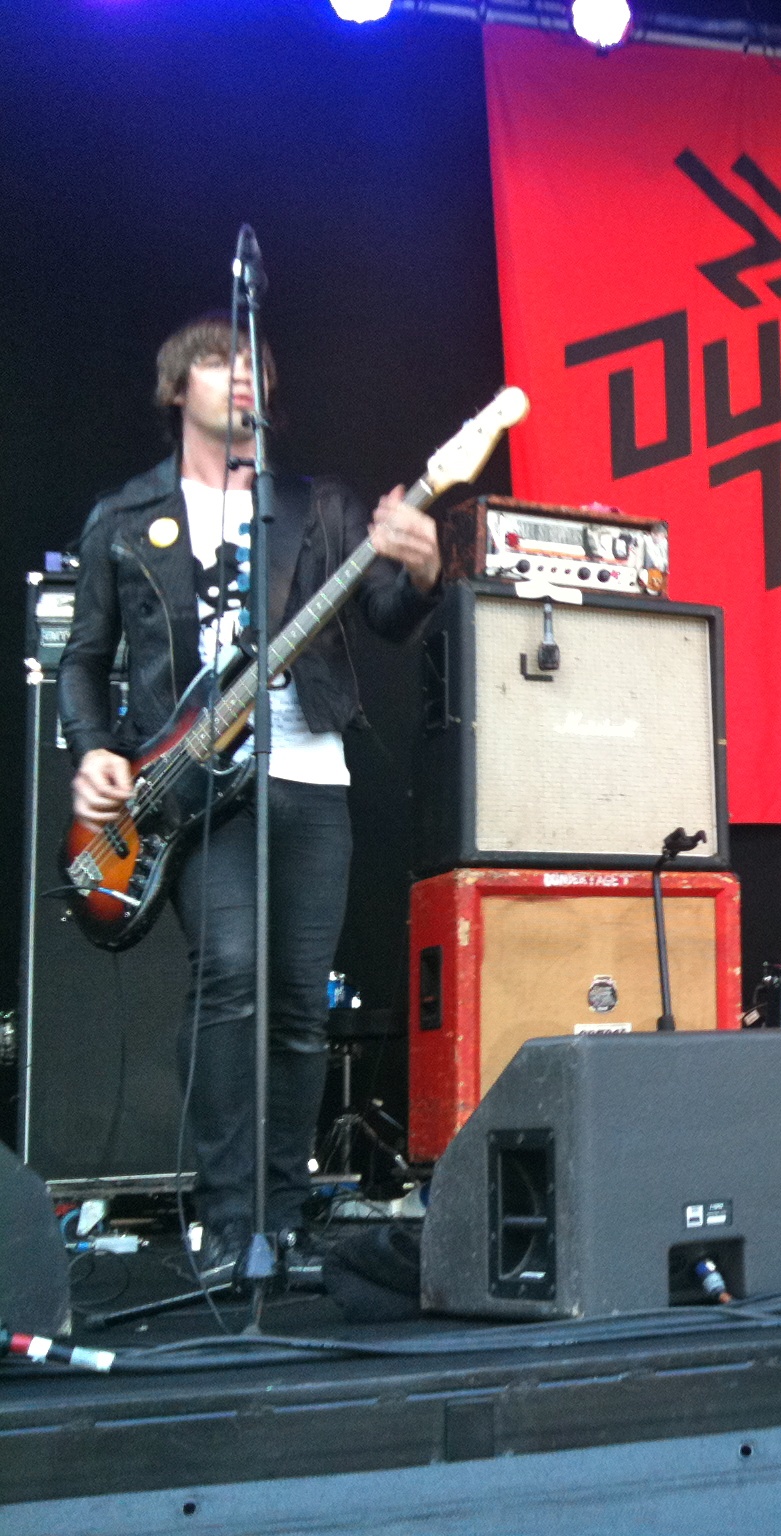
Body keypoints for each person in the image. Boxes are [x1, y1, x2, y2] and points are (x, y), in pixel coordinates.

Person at [59, 314, 443, 1280]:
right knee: (230, 980)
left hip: (312, 774)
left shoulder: (315, 509)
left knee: (299, 1008)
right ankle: (229, 1219)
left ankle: (288, 1217)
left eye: (256, 368)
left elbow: (390, 616)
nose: (242, 380)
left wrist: (423, 564)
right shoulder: (123, 517)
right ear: (175, 387)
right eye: (219, 364)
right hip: (191, 787)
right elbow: (83, 658)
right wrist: (95, 752)